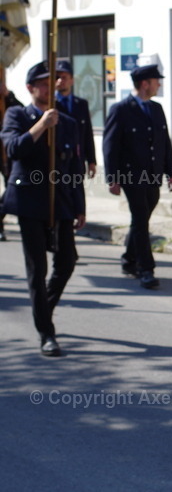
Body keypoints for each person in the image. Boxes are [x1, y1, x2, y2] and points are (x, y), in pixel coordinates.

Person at [1, 62, 86, 356]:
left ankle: (43, 310)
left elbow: (74, 167)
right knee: (38, 268)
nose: (52, 87)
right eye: (45, 83)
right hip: (29, 200)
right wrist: (41, 126)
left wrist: (79, 205)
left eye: (55, 82)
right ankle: (46, 333)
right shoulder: (17, 114)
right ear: (31, 88)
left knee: (67, 262)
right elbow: (14, 150)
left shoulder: (69, 122)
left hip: (60, 200)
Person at [102, 63, 172, 290]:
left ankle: (129, 258)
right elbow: (110, 145)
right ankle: (146, 269)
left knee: (142, 218)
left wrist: (171, 173)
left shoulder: (156, 108)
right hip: (131, 175)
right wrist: (112, 177)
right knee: (141, 217)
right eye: (157, 81)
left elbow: (164, 142)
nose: (159, 85)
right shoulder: (121, 109)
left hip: (152, 174)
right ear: (145, 84)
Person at [54, 59, 97, 179]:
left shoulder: (81, 104)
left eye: (64, 77)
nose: (60, 81)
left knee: (77, 196)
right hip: (57, 164)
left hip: (77, 161)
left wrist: (91, 161)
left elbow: (87, 134)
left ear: (72, 80)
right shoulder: (49, 104)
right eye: (57, 77)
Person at [0, 75, 24, 242]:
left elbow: (21, 113)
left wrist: (8, 95)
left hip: (5, 152)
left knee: (12, 187)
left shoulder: (8, 100)